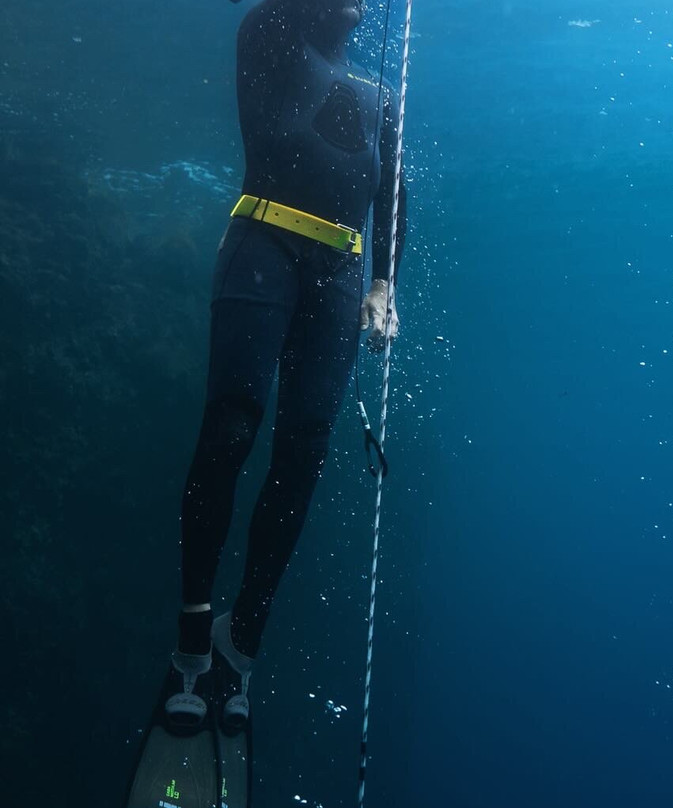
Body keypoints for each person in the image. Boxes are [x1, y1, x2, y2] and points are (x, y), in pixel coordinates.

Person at [126, 2, 405, 804]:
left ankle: (240, 642)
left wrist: (385, 284)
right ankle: (190, 641)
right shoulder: (270, 36)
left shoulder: (384, 95)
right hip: (264, 240)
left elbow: (395, 199)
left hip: (342, 272)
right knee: (233, 427)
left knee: (306, 447)